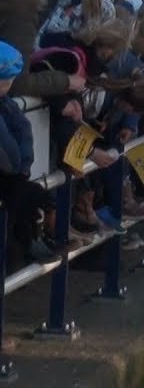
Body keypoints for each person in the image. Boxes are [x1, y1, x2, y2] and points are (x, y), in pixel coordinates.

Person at [0, 41, 60, 264]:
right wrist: (19, 169)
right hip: (7, 176)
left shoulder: (6, 105)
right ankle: (30, 241)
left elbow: (21, 133)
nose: (8, 87)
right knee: (30, 196)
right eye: (6, 82)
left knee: (32, 196)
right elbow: (8, 151)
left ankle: (34, 238)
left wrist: (22, 168)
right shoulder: (7, 106)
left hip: (11, 175)